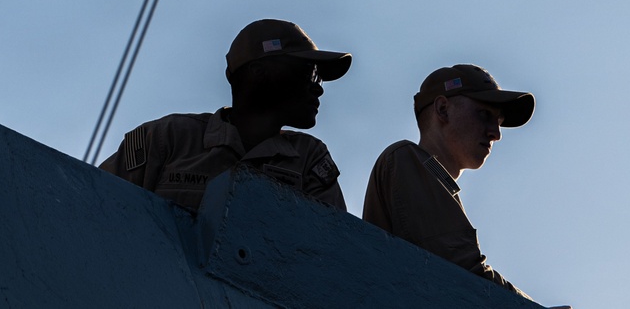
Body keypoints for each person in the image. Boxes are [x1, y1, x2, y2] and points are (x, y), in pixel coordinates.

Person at [363, 64, 569, 305]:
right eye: (484, 114)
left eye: (499, 121)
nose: (496, 133)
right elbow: (463, 270)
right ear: (443, 109)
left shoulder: (430, 176)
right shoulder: (407, 159)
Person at [100, 18, 351, 213]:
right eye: (310, 73)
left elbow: (332, 255)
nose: (318, 87)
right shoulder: (165, 139)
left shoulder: (309, 159)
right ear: (259, 72)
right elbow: (96, 208)